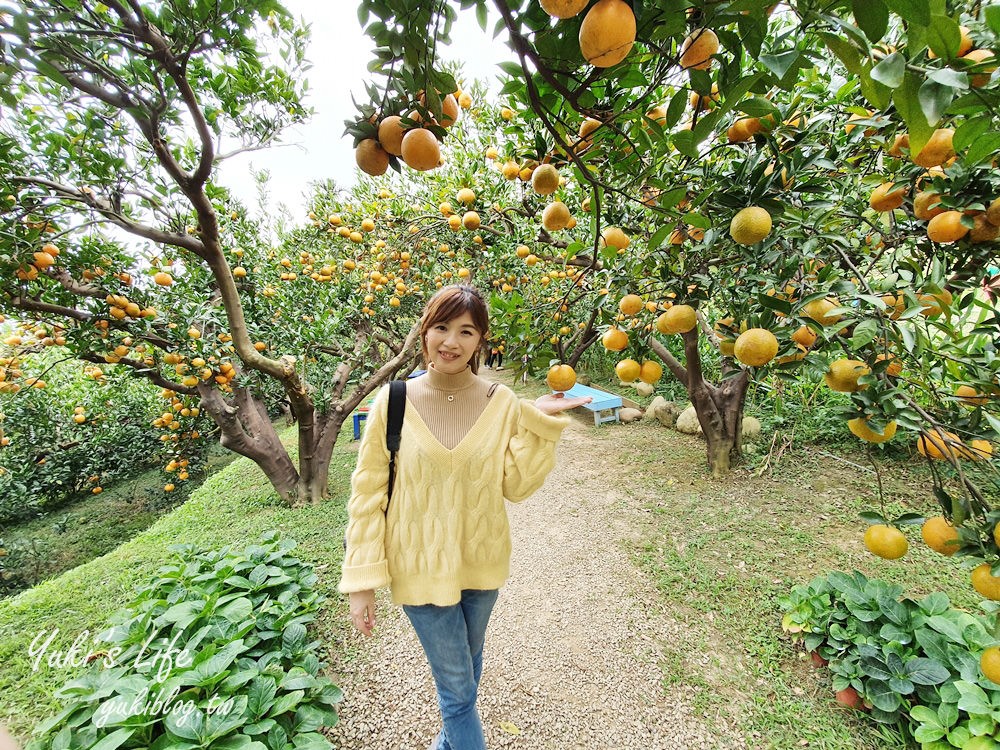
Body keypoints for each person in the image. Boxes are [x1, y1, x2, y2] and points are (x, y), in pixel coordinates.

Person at [339, 285, 590, 750]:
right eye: (441, 327)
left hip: (482, 564)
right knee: (457, 692)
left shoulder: (502, 402)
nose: (450, 341)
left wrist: (538, 421)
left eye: (465, 331)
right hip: (419, 567)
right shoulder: (393, 403)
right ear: (425, 331)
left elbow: (516, 486)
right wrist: (361, 581)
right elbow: (367, 494)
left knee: (468, 674)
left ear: (481, 340)